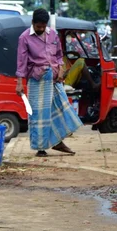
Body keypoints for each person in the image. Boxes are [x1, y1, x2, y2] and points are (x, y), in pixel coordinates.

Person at [16, 9, 82, 157]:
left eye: (43, 26)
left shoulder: (52, 34)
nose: (41, 29)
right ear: (33, 23)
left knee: (62, 110)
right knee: (39, 115)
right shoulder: (24, 38)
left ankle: (57, 141)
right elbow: (21, 63)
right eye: (38, 26)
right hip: (36, 80)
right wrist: (19, 83)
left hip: (54, 79)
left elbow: (59, 55)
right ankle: (41, 148)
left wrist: (60, 69)